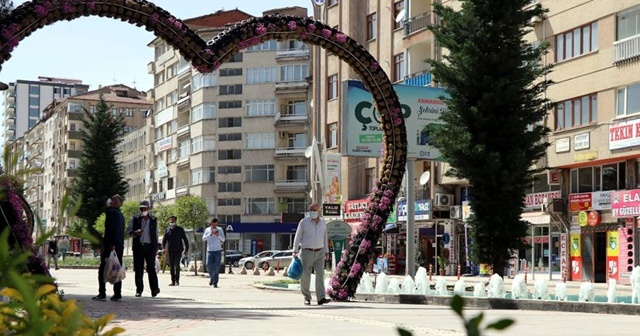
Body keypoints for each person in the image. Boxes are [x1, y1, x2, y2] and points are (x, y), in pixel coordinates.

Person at [292, 204, 331, 306]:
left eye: (314, 210)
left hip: (320, 252)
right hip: (307, 251)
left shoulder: (323, 222)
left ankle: (321, 297)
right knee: (305, 275)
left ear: (319, 211)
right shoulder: (304, 222)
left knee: (320, 275)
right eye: (311, 210)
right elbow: (298, 236)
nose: (312, 211)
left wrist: (326, 251)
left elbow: (324, 237)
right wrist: (295, 250)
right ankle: (307, 297)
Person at [93, 194, 125, 301]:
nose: (109, 201)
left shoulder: (111, 213)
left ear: (115, 202)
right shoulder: (120, 214)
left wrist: (111, 245)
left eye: (112, 200)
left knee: (102, 270)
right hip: (119, 246)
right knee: (117, 268)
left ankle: (102, 293)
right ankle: (117, 293)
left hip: (111, 246)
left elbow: (112, 230)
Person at [126, 200, 160, 297]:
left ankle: (154, 289)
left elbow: (155, 234)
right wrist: (136, 232)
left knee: (151, 269)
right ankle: (139, 290)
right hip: (139, 247)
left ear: (148, 208)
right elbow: (129, 231)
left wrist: (155, 248)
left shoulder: (153, 219)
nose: (143, 210)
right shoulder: (135, 218)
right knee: (139, 270)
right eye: (141, 209)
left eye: (144, 208)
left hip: (150, 247)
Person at [162, 216, 189, 286]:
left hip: (178, 250)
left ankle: (177, 280)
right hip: (170, 250)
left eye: (173, 220)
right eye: (171, 221)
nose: (172, 222)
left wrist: (186, 249)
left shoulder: (180, 229)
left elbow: (185, 240)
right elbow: (164, 240)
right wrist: (163, 248)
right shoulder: (167, 230)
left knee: (177, 265)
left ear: (176, 221)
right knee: (171, 266)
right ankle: (173, 281)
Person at [202, 218, 225, 288]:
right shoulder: (207, 230)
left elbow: (223, 239)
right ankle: (212, 277)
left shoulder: (220, 229)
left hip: (217, 250)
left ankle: (215, 282)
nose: (214, 226)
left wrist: (218, 235)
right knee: (208, 265)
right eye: (213, 224)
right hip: (210, 250)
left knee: (216, 267)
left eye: (216, 224)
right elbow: (203, 238)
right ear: (211, 223)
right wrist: (210, 234)